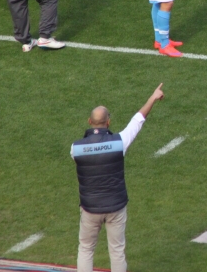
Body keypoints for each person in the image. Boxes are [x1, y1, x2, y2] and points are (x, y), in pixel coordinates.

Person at [71, 83, 165, 272]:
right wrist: (152, 98)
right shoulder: (119, 142)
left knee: (86, 249)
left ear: (89, 121)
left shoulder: (76, 148)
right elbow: (137, 121)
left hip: (90, 207)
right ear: (108, 122)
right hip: (116, 206)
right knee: (117, 251)